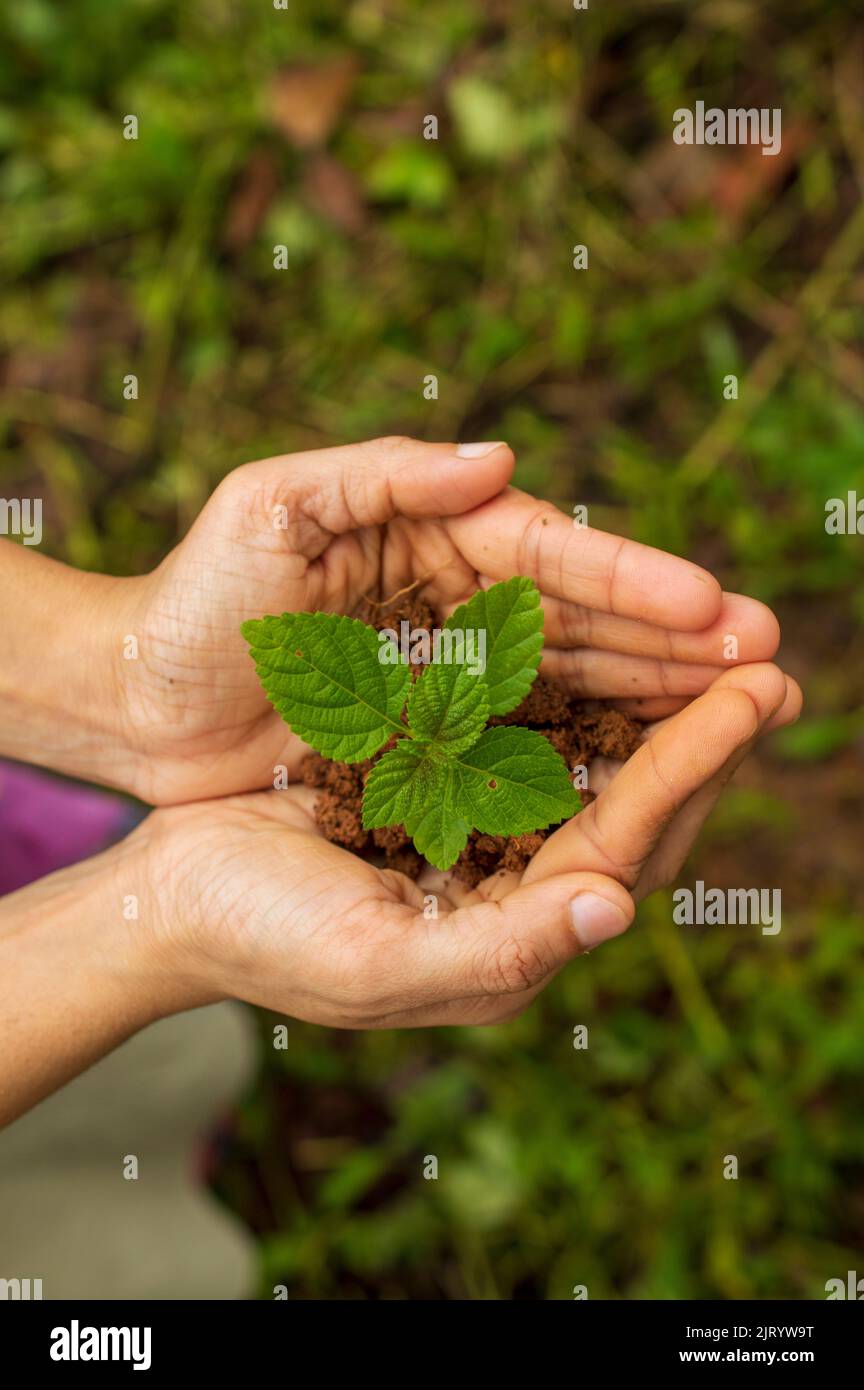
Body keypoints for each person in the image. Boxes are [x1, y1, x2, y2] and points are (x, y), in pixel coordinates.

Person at [0, 436, 801, 1127]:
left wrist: (127, 678)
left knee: (166, 1072)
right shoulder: (401, 772)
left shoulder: (427, 732)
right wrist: (149, 925)